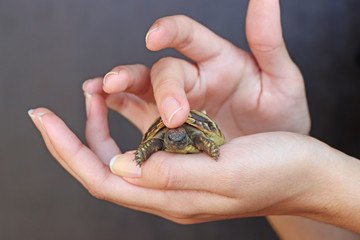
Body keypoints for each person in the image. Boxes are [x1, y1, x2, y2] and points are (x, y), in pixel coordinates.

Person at [28, 0, 360, 238]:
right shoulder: (168, 136)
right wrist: (297, 181)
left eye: (177, 138)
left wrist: (313, 180)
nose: (173, 139)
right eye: (173, 138)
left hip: (207, 140)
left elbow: (322, 192)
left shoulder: (197, 139)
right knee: (161, 130)